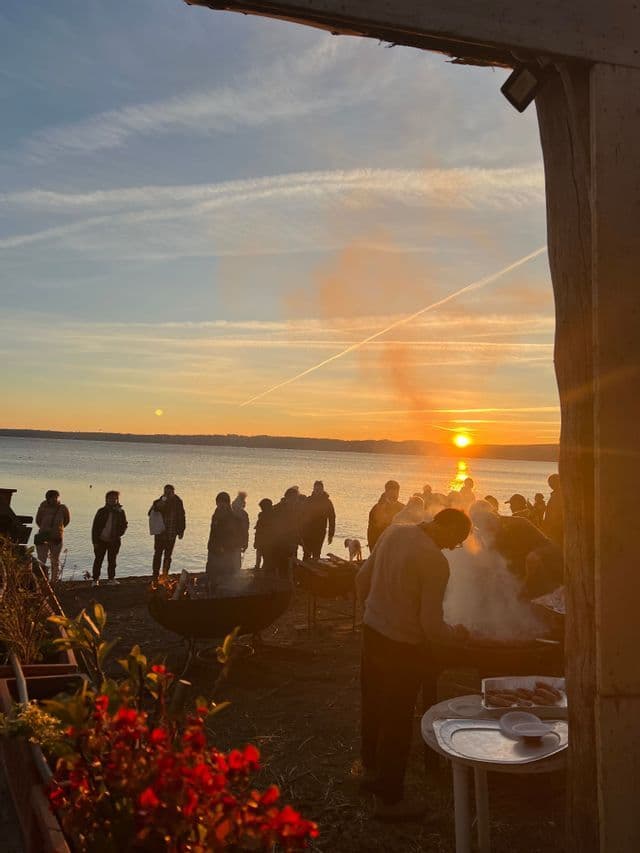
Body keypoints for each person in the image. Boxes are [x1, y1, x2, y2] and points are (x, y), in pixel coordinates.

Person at [355, 508, 472, 820]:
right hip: (402, 647)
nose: (451, 547)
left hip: (372, 632)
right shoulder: (435, 561)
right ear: (443, 525)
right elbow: (431, 625)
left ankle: (371, 773)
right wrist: (456, 637)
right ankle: (391, 800)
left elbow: (361, 578)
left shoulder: (394, 531)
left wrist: (369, 615)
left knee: (373, 705)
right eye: (455, 540)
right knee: (397, 720)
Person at [469, 500, 563, 598]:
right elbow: (492, 565)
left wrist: (537, 554)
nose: (487, 526)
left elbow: (551, 547)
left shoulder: (519, 523)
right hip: (514, 583)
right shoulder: (485, 537)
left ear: (495, 513)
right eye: (480, 525)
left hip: (541, 582)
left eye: (487, 519)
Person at [206, 492, 245, 591]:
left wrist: (230, 547)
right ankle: (212, 588)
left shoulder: (233, 518)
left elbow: (237, 534)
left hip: (226, 551)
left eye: (222, 503)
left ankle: (225, 591)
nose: (220, 505)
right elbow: (213, 533)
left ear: (227, 504)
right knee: (211, 572)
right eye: (218, 503)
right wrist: (211, 546)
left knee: (226, 573)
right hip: (213, 548)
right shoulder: (216, 515)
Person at [148, 484, 186, 580]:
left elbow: (182, 517)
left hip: (172, 533)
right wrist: (159, 505)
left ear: (173, 492)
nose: (167, 494)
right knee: (157, 554)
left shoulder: (178, 502)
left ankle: (165, 575)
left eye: (169, 492)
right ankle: (155, 575)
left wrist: (181, 530)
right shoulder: (159, 501)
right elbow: (150, 513)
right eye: (166, 492)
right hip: (160, 533)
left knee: (168, 556)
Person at [91, 491, 127, 587]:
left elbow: (124, 525)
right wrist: (94, 541)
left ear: (117, 500)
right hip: (101, 540)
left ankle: (111, 579)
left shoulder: (120, 512)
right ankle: (95, 580)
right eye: (110, 498)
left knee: (112, 560)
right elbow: (95, 527)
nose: (112, 500)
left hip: (114, 540)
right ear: (106, 499)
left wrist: (119, 533)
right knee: (98, 560)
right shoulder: (101, 511)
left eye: (114, 498)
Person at [34, 489, 71, 583]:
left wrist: (58, 530)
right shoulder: (43, 507)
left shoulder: (63, 508)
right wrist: (45, 529)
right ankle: (40, 580)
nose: (54, 499)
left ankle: (54, 580)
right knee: (41, 560)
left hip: (57, 538)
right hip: (43, 537)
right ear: (47, 498)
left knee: (55, 560)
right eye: (52, 497)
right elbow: (38, 520)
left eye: (56, 497)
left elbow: (66, 521)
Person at [271, 486, 302, 578]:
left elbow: (296, 525)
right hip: (281, 541)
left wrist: (297, 539)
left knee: (291, 563)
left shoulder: (295, 508)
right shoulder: (279, 509)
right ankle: (283, 580)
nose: (296, 501)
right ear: (289, 498)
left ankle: (288, 580)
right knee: (282, 563)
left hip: (291, 540)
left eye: (296, 499)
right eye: (295, 498)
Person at [301, 480, 336, 561]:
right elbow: (301, 516)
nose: (317, 491)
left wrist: (331, 534)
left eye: (319, 489)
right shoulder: (308, 500)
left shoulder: (327, 502)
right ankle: (304, 571)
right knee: (306, 553)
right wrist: (301, 531)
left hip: (320, 531)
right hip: (307, 532)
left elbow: (332, 518)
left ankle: (313, 570)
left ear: (322, 489)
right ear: (313, 489)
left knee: (317, 553)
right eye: (316, 489)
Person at [367, 480, 404, 552]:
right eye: (392, 491)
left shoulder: (402, 508)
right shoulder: (377, 509)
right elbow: (371, 532)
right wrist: (373, 550)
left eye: (397, 492)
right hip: (381, 547)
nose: (395, 495)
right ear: (386, 492)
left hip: (397, 548)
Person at [253, 498, 276, 571]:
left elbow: (259, 530)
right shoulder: (265, 515)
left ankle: (261, 568)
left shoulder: (266, 516)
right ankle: (259, 567)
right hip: (263, 540)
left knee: (265, 556)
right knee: (261, 554)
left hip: (265, 540)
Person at [231, 491, 250, 572]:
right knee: (235, 561)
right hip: (236, 541)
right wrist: (245, 543)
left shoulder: (231, 511)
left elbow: (245, 530)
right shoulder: (243, 514)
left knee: (232, 560)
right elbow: (245, 530)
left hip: (233, 541)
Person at [544, 473, 564, 546]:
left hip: (556, 529)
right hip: (552, 528)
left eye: (552, 483)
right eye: (550, 483)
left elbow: (555, 513)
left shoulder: (558, 495)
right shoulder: (555, 495)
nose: (550, 485)